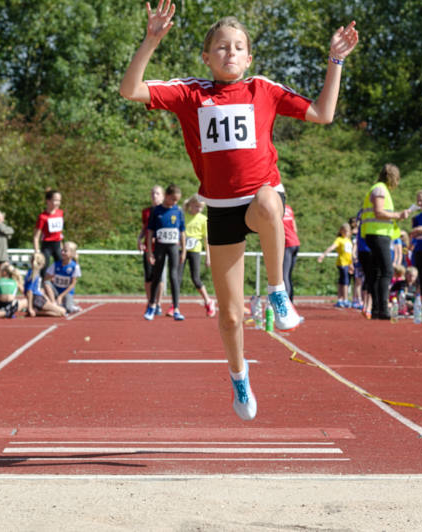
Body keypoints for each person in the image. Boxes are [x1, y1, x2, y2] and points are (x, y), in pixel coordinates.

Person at [120, 3, 358, 420]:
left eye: (238, 47)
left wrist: (335, 61)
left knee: (269, 200)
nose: (230, 53)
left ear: (249, 58)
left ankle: (277, 291)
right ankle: (239, 374)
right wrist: (151, 40)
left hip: (258, 202)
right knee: (230, 319)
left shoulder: (262, 90)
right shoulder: (191, 93)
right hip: (221, 210)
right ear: (206, 56)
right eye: (222, 47)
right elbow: (130, 90)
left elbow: (324, 114)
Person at [361, 164, 410, 320]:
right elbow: (379, 212)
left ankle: (376, 309)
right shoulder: (380, 189)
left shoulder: (379, 189)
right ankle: (382, 308)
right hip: (378, 234)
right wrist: (398, 215)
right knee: (387, 271)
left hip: (376, 234)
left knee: (377, 272)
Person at [144, 184, 186, 321]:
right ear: (167, 196)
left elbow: (182, 232)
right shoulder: (156, 211)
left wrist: (184, 251)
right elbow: (150, 232)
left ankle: (176, 308)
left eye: (177, 200)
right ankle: (151, 306)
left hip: (173, 247)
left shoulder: (178, 211)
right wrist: (150, 251)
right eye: (173, 199)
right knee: (157, 276)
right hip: (160, 247)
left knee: (174, 277)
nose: (175, 202)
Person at [180, 195, 216, 317]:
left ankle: (208, 301)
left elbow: (206, 239)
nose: (199, 210)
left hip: (195, 250)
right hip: (182, 249)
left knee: (195, 279)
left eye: (201, 208)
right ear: (190, 205)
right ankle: (174, 305)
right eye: (196, 207)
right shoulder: (183, 216)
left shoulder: (203, 219)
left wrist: (208, 256)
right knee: (176, 278)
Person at [139, 185, 166, 316]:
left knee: (159, 277)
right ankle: (150, 302)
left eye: (157, 193)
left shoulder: (166, 211)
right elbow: (145, 228)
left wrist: (158, 238)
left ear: (163, 196)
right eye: (152, 194)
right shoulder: (146, 212)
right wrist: (139, 240)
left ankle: (159, 303)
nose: (154, 196)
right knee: (148, 277)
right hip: (148, 249)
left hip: (161, 248)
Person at [317, 222, 353, 308]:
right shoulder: (339, 240)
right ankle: (345, 299)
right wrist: (323, 255)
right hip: (342, 263)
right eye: (344, 231)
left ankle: (340, 299)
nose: (346, 233)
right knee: (345, 281)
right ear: (341, 231)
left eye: (348, 231)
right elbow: (332, 247)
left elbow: (350, 254)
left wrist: (352, 264)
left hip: (348, 263)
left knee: (342, 281)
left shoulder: (349, 240)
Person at [32, 189, 64, 278]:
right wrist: (37, 251)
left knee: (61, 266)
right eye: (55, 200)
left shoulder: (60, 213)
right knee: (44, 268)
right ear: (48, 201)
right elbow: (36, 236)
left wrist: (62, 245)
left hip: (57, 244)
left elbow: (59, 232)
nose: (58, 203)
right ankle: (43, 286)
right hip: (47, 245)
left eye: (59, 200)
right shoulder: (42, 217)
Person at [44, 241, 83, 314]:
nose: (62, 252)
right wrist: (51, 277)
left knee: (68, 309)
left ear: (72, 253)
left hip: (66, 292)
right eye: (62, 250)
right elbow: (46, 278)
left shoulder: (75, 267)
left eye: (65, 251)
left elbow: (73, 284)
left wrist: (61, 296)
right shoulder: (56, 264)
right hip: (56, 290)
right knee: (46, 283)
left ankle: (72, 306)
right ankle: (53, 303)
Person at [24, 253, 67, 318]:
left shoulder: (31, 272)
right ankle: (36, 312)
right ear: (42, 264)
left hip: (38, 298)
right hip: (37, 299)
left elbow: (34, 289)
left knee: (59, 312)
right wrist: (30, 308)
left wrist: (45, 297)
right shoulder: (34, 274)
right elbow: (29, 291)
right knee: (63, 311)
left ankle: (37, 311)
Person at [282, 204, 300, 303]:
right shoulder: (288, 208)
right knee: (288, 275)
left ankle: (287, 304)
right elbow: (295, 228)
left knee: (284, 275)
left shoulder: (276, 208)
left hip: (287, 244)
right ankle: (291, 302)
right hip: (295, 242)